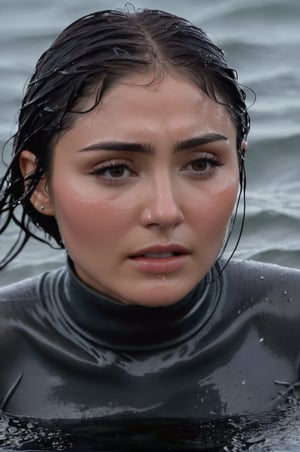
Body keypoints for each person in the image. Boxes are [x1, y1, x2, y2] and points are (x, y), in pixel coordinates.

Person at [0, 6, 300, 422]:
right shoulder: (7, 350)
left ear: (239, 163)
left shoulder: (291, 325)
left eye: (201, 164)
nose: (165, 211)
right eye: (115, 170)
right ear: (42, 184)